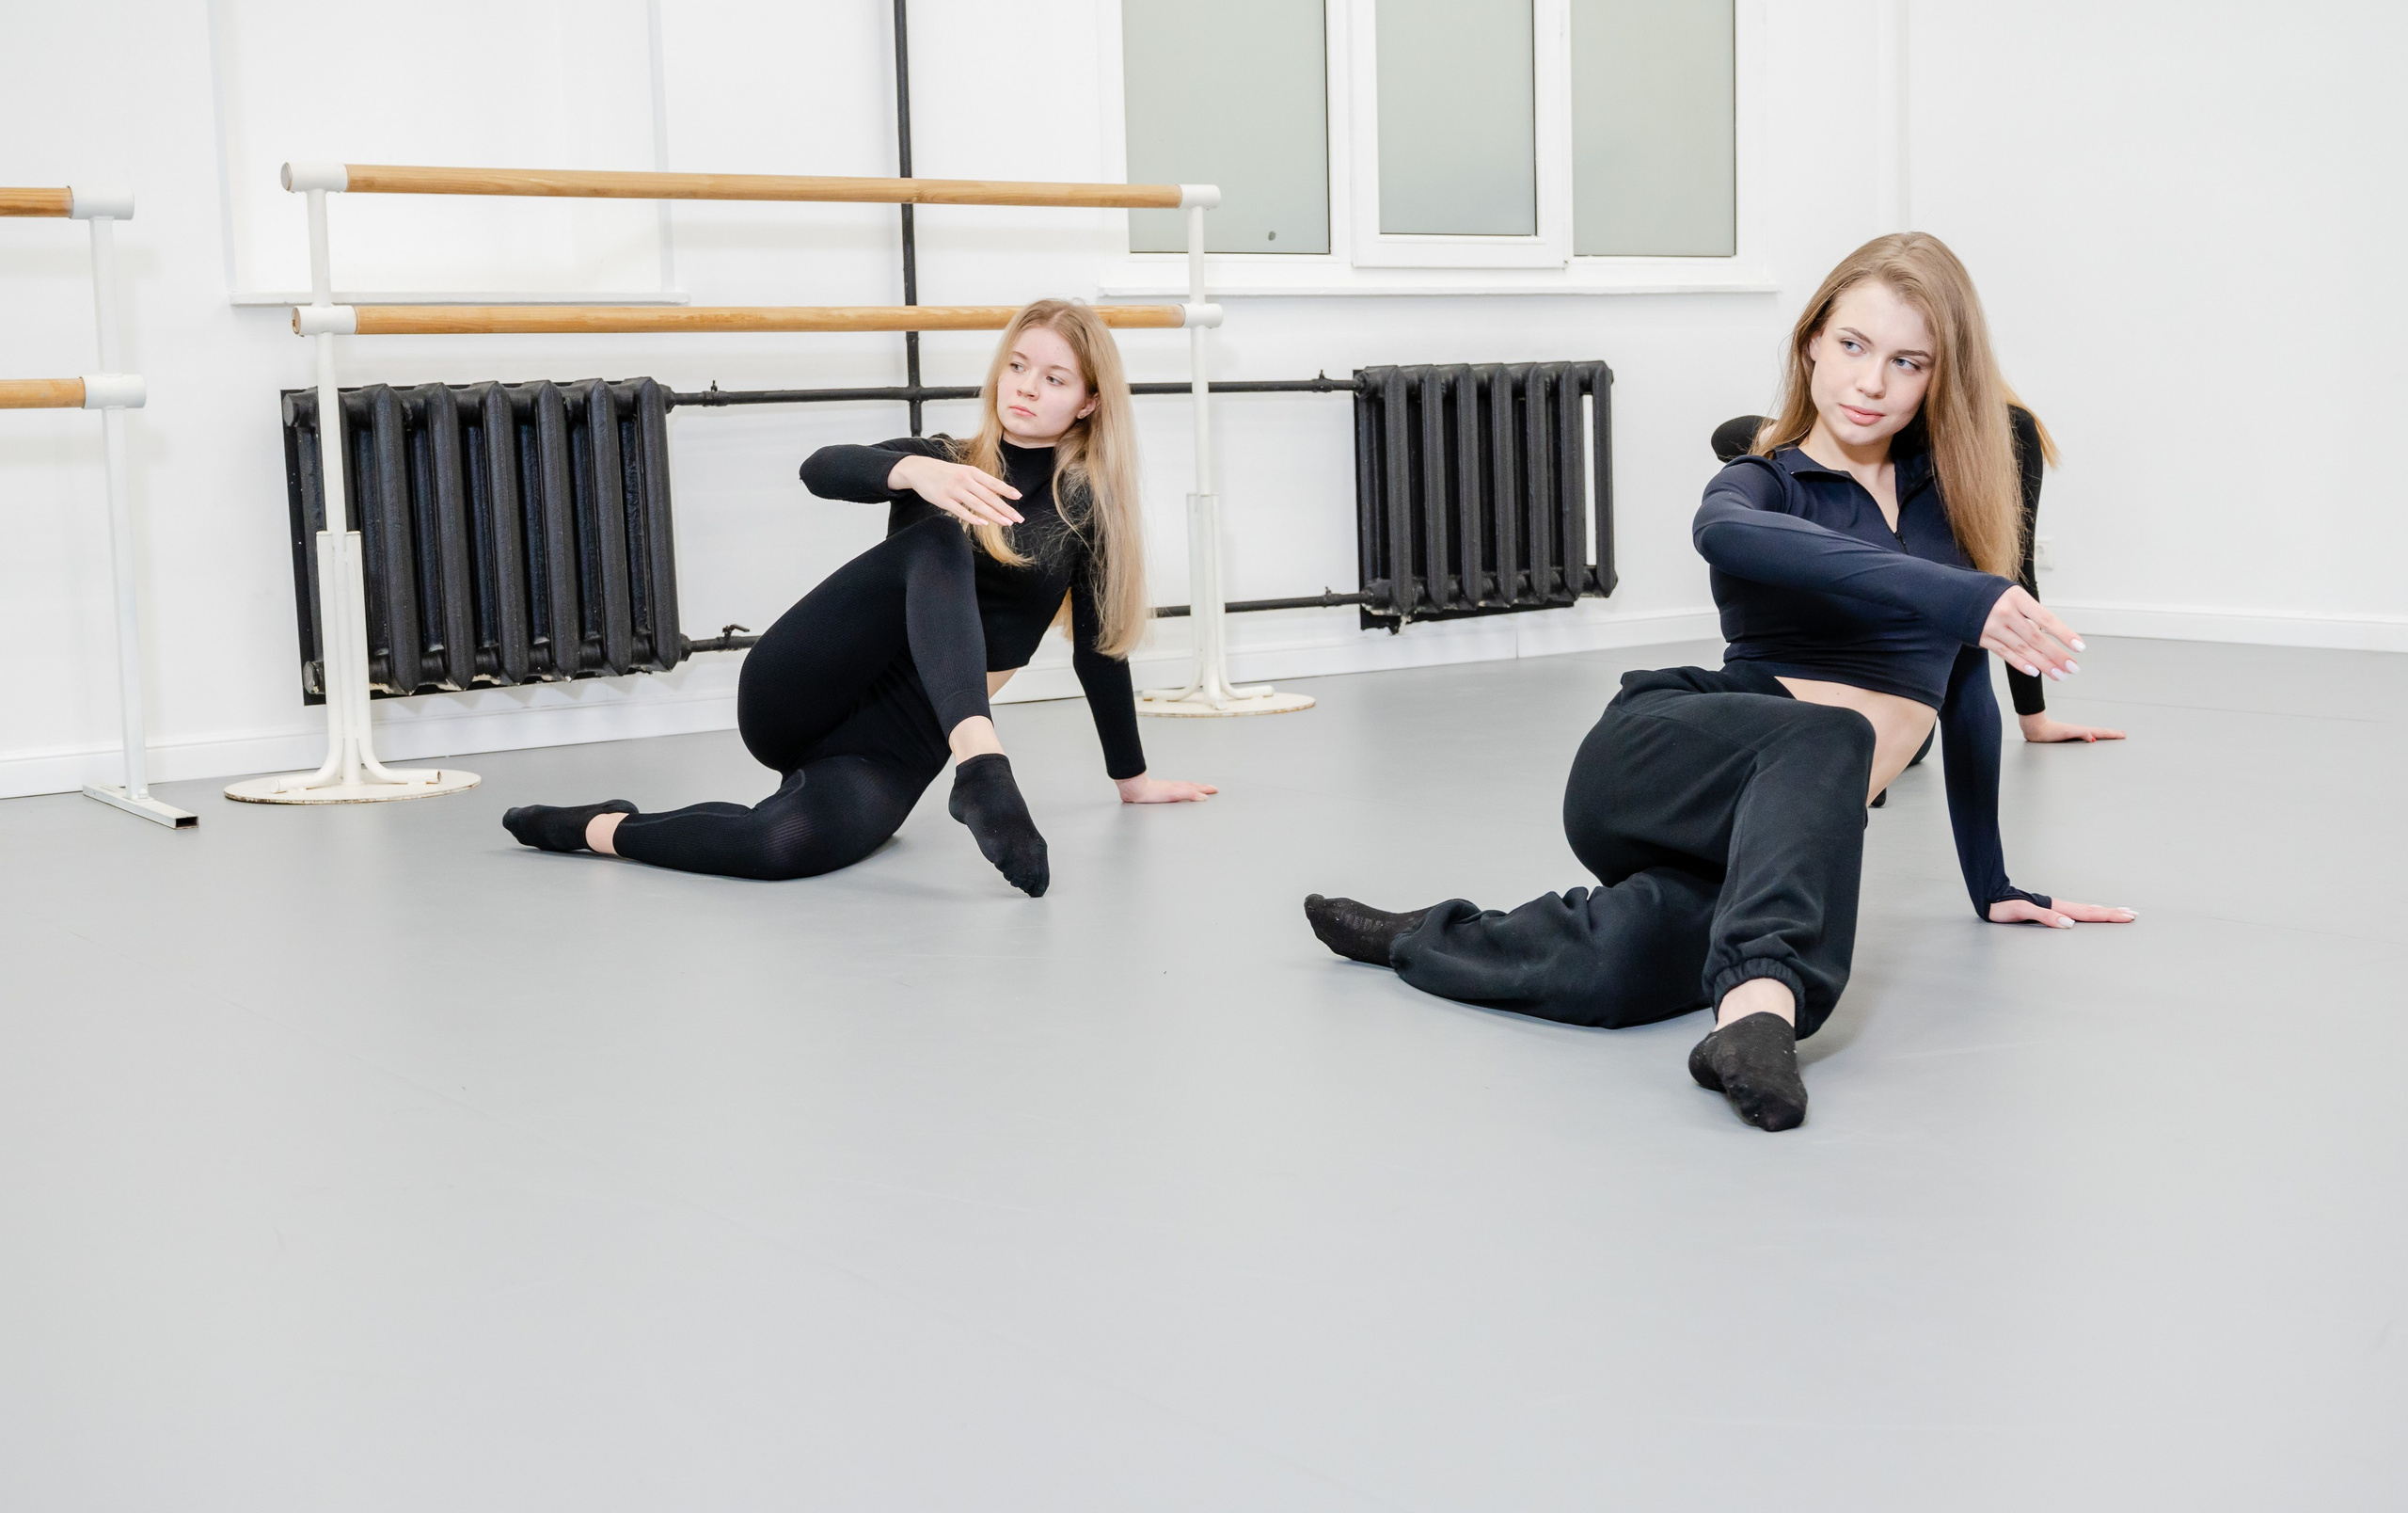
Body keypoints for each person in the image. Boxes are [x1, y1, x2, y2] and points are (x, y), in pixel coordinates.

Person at [1304, 234, 2132, 1132]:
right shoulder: (1762, 485)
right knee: (1835, 731)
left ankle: (1418, 936)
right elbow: (1728, 539)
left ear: (1940, 375)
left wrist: (1993, 879)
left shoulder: (1955, 500)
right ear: (1812, 340)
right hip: (1662, 754)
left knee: (1626, 966)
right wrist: (1965, 596)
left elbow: (1963, 685)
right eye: (1852, 346)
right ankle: (1758, 1018)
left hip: (1775, 827)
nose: (1871, 382)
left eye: (1907, 362)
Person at [502, 299, 1215, 895]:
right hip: (802, 689)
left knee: (780, 846)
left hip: (894, 745)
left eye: (1055, 378)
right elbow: (819, 468)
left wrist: (1133, 778)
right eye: (1018, 366)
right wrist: (911, 471)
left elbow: (1099, 654)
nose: (1026, 387)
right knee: (939, 541)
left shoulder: (1083, 517)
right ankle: (984, 769)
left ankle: (596, 828)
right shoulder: (941, 460)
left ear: (1090, 402)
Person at [1713, 403, 2126, 747]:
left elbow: (2009, 570)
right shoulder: (1869, 418)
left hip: (1909, 678)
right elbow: (1728, 436)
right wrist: (1787, 442)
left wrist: (2032, 718)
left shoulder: (2006, 428)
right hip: (1814, 658)